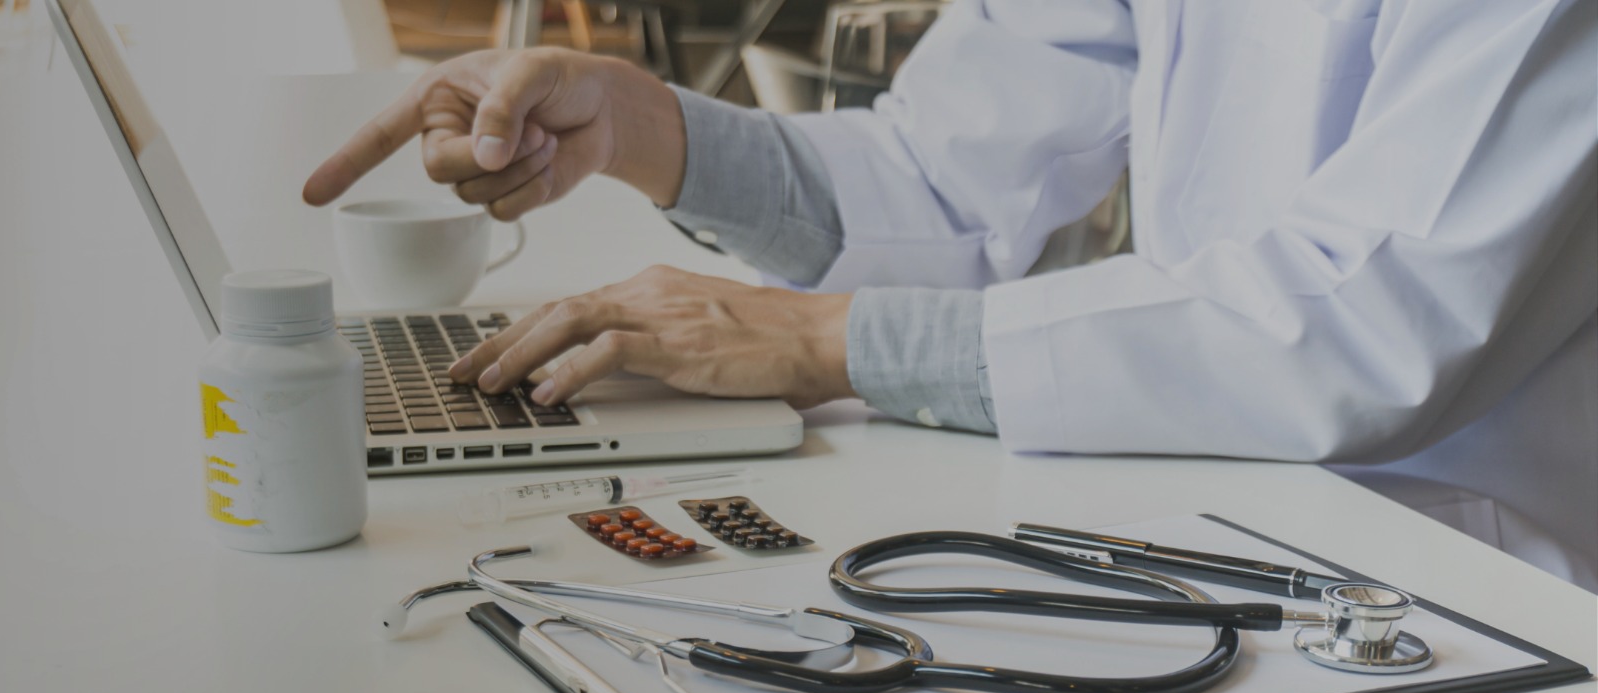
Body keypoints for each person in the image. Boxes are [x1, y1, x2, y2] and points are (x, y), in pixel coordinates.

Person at [303, 0, 1597, 591]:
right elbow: (946, 175)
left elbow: (1369, 325)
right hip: (1234, 519)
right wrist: (649, 132)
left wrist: (827, 340)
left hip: (1479, 586)